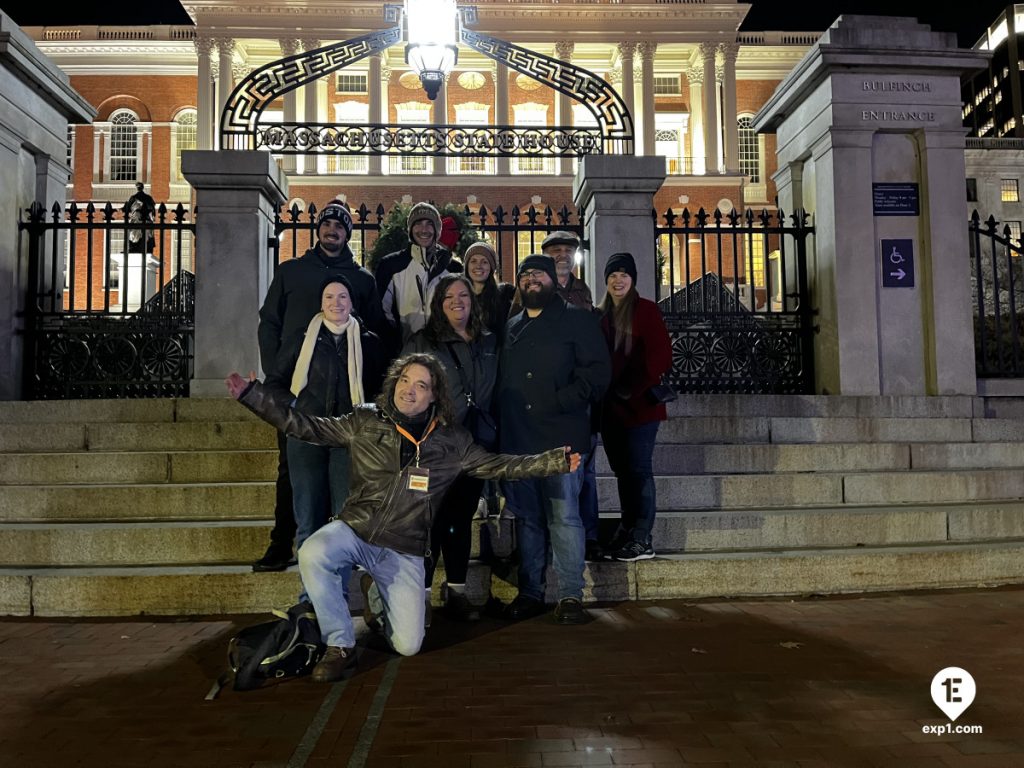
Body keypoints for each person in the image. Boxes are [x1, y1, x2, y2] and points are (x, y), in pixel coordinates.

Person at [225, 353, 581, 682]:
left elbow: (500, 466)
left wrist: (553, 461)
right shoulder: (364, 420)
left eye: (421, 385)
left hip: (403, 548)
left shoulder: (452, 442)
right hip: (356, 529)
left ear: (434, 396)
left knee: (408, 645)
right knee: (313, 551)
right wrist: (253, 396)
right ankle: (340, 644)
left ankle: (376, 595)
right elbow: (305, 426)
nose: (409, 390)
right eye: (404, 380)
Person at [253, 200, 384, 573]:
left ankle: (340, 556)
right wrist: (280, 379)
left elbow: (376, 331)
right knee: (290, 472)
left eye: (340, 226)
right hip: (300, 395)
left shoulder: (362, 280)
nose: (332, 231)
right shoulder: (291, 272)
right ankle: (282, 542)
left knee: (345, 479)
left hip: (346, 400)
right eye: (327, 224)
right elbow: (269, 323)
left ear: (347, 234)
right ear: (318, 229)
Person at [497, 254, 611, 625]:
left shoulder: (577, 319)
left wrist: (560, 401)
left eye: (539, 274)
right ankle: (531, 591)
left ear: (553, 279)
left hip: (562, 438)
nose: (531, 279)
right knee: (528, 519)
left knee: (564, 516)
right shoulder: (511, 326)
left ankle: (570, 594)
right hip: (519, 439)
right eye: (525, 274)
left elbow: (597, 374)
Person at [264, 276, 387, 558]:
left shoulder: (369, 342)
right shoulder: (301, 339)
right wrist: (295, 408)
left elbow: (384, 390)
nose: (336, 303)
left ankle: (338, 584)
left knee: (344, 521)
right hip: (306, 437)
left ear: (352, 303)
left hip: (349, 439)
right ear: (321, 303)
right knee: (308, 519)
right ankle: (310, 585)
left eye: (343, 296)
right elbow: (275, 383)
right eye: (329, 297)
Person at [402, 275, 499, 622]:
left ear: (472, 301)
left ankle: (457, 590)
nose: (457, 301)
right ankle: (423, 595)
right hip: (435, 447)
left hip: (475, 445)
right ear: (438, 304)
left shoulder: (488, 340)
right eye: (448, 297)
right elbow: (402, 391)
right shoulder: (423, 341)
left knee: (460, 517)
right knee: (431, 520)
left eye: (463, 295)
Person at [598, 252, 673, 561]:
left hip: (640, 407)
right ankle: (627, 531)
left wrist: (630, 387)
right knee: (623, 473)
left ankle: (642, 537)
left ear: (633, 279)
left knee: (639, 470)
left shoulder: (646, 310)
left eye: (624, 275)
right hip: (611, 410)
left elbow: (661, 356)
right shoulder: (601, 315)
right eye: (613, 275)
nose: (618, 280)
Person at [375, 202, 462, 355]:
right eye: (418, 223)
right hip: (405, 355)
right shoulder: (390, 266)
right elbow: (381, 314)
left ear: (437, 230)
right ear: (410, 229)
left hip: (444, 355)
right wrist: (397, 347)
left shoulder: (453, 268)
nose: (424, 229)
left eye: (429, 224)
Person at [464, 241, 515, 335]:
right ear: (467, 266)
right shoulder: (458, 297)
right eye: (473, 261)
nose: (478, 266)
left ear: (491, 267)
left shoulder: (505, 294)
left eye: (484, 262)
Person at [125, 181, 156, 254]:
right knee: (140, 235)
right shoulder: (147, 198)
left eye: (138, 187)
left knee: (136, 235)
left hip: (139, 220)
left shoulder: (134, 198)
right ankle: (141, 247)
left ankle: (136, 247)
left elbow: (128, 209)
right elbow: (153, 210)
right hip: (143, 220)